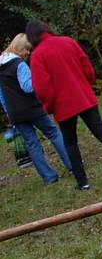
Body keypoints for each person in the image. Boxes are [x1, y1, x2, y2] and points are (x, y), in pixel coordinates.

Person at [25, 20, 102, 190]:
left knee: (70, 142)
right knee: (101, 132)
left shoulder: (38, 55)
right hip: (83, 96)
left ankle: (82, 182)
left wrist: (49, 106)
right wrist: (86, 83)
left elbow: (42, 87)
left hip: (63, 105)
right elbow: (87, 68)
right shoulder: (67, 41)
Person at [0, 33, 71, 183]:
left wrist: (8, 112)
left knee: (32, 144)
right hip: (32, 108)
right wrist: (39, 79)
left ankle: (48, 177)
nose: (28, 53)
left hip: (15, 113)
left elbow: (1, 96)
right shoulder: (19, 64)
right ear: (20, 48)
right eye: (27, 49)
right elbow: (27, 87)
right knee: (53, 133)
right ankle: (72, 164)